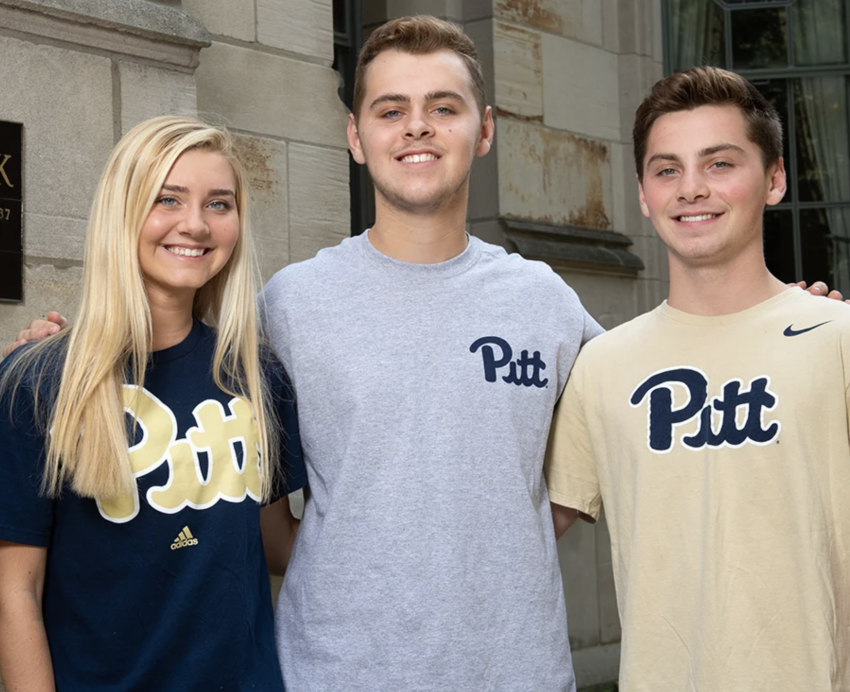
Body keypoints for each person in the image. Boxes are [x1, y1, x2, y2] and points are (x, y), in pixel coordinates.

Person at [545, 66, 850, 691]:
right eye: (667, 169)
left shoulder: (839, 340)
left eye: (719, 164)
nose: (690, 189)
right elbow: (512, 534)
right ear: (642, 193)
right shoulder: (602, 368)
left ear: (774, 180)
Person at [0, 116, 307, 691]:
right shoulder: (36, 382)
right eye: (168, 199)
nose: (195, 224)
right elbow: (14, 592)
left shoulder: (259, 375)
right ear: (124, 211)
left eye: (219, 204)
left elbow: (277, 547)